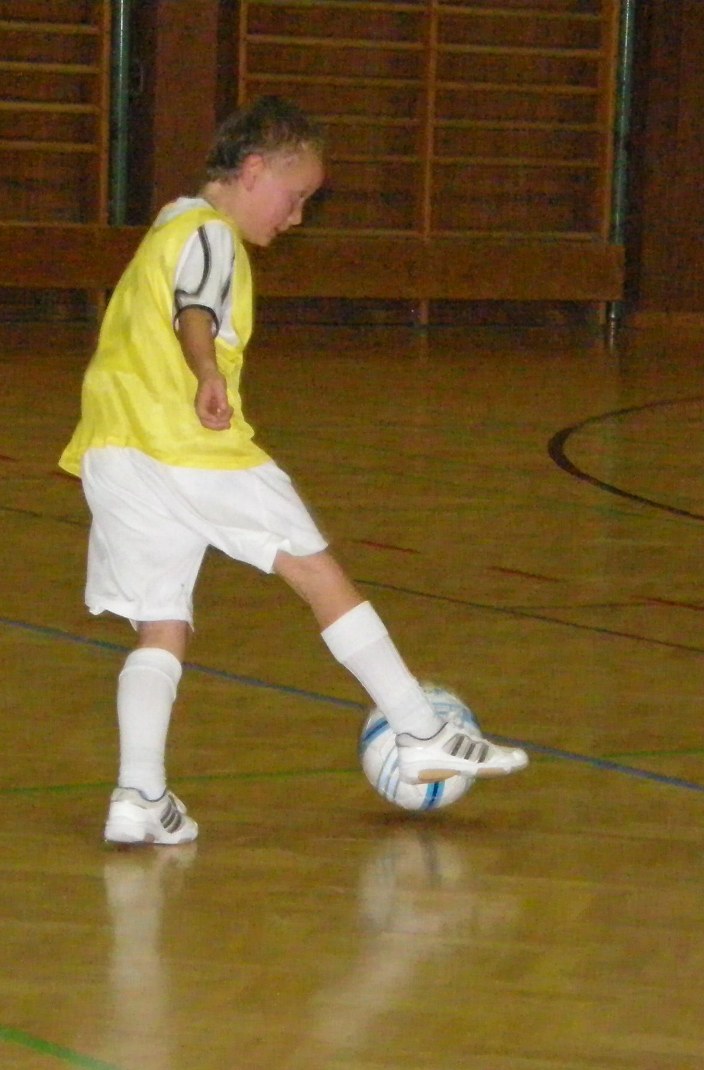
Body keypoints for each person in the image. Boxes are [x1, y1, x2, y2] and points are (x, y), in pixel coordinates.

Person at [60, 96, 528, 847]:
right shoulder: (211, 235)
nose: (297, 216)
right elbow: (193, 312)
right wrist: (207, 373)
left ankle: (139, 794)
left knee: (161, 624)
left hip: (115, 450)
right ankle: (418, 730)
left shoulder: (168, 226)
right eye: (295, 195)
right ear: (252, 171)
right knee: (318, 574)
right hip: (189, 445)